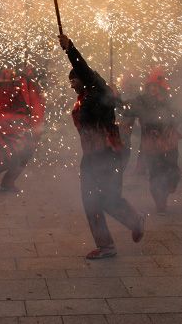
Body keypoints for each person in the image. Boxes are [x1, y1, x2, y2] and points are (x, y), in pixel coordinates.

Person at [58, 34, 145, 259]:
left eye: (74, 80)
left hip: (106, 154)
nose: (72, 85)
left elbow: (85, 71)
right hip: (96, 156)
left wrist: (71, 50)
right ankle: (130, 224)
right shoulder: (89, 95)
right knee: (101, 199)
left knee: (98, 199)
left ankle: (111, 242)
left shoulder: (97, 91)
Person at [0, 68, 45, 192]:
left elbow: (27, 105)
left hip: (16, 133)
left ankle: (8, 181)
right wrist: (19, 123)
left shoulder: (16, 92)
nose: (8, 85)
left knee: (26, 153)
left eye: (11, 82)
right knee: (5, 159)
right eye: (4, 83)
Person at [122, 67, 181, 214]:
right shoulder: (141, 101)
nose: (153, 89)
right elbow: (127, 109)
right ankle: (160, 204)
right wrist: (113, 96)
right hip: (151, 146)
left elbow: (179, 116)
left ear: (161, 87)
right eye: (151, 86)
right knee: (155, 174)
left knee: (172, 172)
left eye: (156, 86)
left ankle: (169, 187)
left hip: (169, 144)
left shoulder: (169, 101)